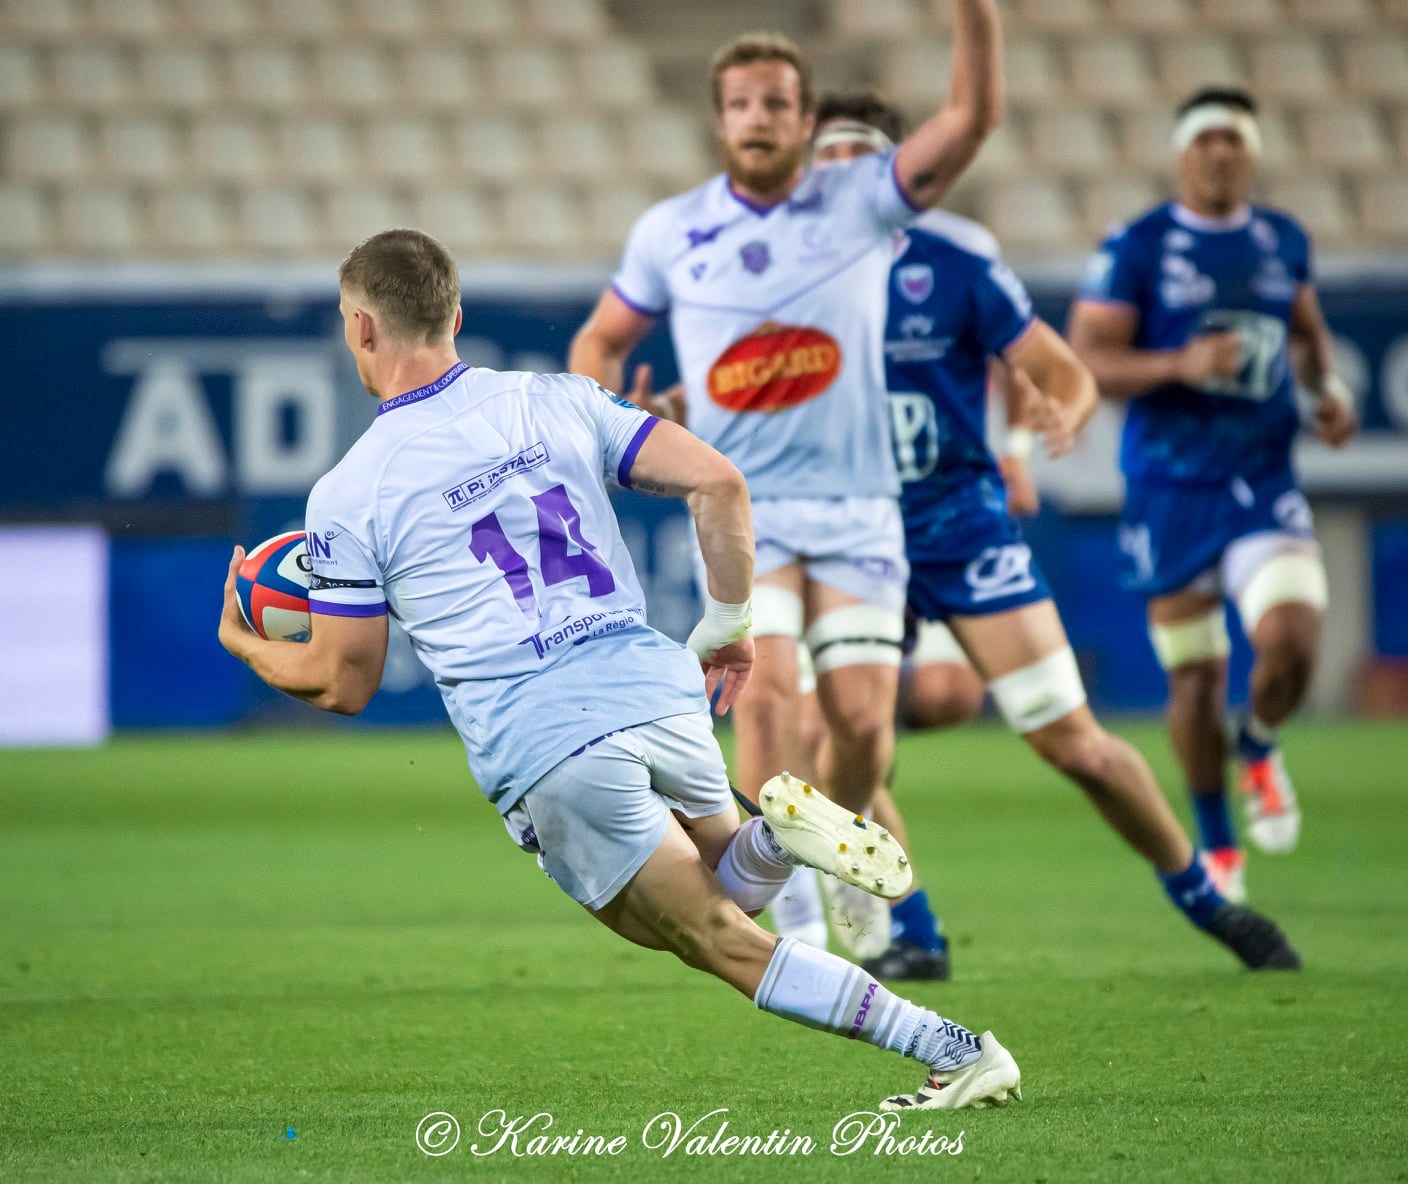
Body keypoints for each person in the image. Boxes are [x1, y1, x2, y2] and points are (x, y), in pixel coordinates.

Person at [218, 228, 1023, 1112]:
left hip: (547, 739)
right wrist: (728, 624)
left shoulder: (350, 489)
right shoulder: (559, 399)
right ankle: (774, 839)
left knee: (710, 938)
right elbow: (718, 483)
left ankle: (953, 1048)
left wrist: (247, 644)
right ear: (454, 313)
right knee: (728, 892)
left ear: (362, 328)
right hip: (654, 687)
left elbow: (344, 680)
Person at [809, 91, 1301, 972]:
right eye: (825, 165)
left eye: (858, 163)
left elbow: (1056, 367)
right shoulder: (770, 276)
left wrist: (1063, 412)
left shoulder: (952, 260)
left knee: (1071, 741)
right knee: (843, 734)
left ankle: (1203, 898)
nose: (840, 183)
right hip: (848, 537)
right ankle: (913, 933)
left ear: (892, 176)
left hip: (960, 525)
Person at [567, 5, 1006, 975]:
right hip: (744, 515)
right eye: (739, 103)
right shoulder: (673, 230)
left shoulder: (857, 201)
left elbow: (971, 119)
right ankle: (800, 922)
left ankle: (830, 851)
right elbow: (598, 340)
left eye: (776, 101)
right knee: (765, 720)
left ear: (806, 121)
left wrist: (974, 15)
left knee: (859, 729)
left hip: (859, 514)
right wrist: (613, 421)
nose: (757, 116)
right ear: (719, 120)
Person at [1067, 87, 1357, 902]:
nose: (1220, 153)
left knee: (1294, 639)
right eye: (1206, 140)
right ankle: (1219, 844)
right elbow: (1087, 357)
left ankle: (1258, 744)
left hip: (1261, 480)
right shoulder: (1140, 245)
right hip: (1167, 488)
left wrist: (1326, 386)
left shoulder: (1281, 239)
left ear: (1251, 152)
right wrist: (1176, 366)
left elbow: (1304, 327)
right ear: (1181, 152)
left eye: (1234, 139)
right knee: (1193, 680)